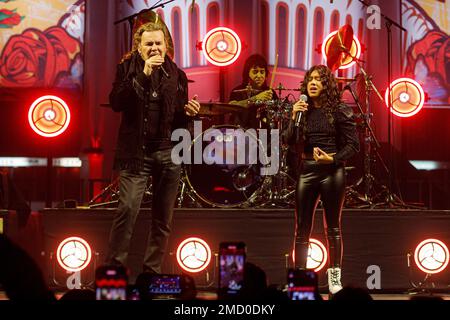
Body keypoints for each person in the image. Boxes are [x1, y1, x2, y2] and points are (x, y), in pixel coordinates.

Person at [106, 22, 200, 274]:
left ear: (166, 46)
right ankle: (114, 271)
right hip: (136, 152)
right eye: (149, 44)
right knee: (127, 210)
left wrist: (188, 113)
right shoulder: (127, 68)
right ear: (138, 47)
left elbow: (177, 118)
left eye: (159, 43)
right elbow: (116, 102)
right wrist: (144, 73)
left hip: (168, 151)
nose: (155, 48)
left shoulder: (177, 75)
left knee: (163, 218)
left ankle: (151, 273)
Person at [284, 65, 359, 295]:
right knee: (302, 228)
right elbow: (290, 141)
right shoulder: (301, 110)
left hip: (332, 171)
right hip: (307, 170)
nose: (313, 83)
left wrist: (333, 158)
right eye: (310, 79)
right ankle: (299, 278)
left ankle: (334, 277)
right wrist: (293, 116)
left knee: (333, 228)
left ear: (327, 84)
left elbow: (353, 145)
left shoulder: (339, 110)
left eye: (318, 79)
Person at [229, 54, 277, 129]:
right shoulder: (237, 91)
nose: (259, 75)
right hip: (242, 133)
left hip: (265, 134)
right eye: (255, 72)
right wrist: (256, 98)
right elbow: (231, 107)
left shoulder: (270, 92)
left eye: (262, 72)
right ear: (247, 73)